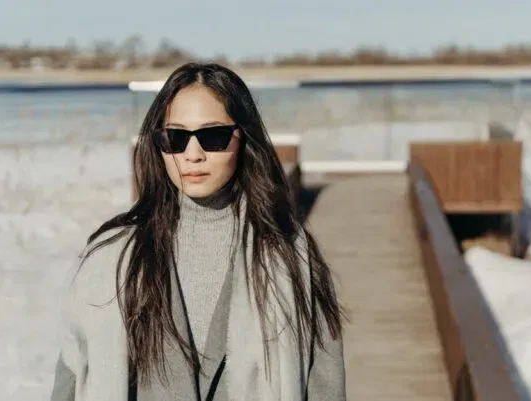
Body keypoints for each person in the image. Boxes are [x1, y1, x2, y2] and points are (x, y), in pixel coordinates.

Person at [50, 63, 346, 401]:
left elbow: (325, 384)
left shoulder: (291, 256)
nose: (193, 155)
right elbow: (71, 378)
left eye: (213, 137)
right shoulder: (110, 260)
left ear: (243, 138)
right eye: (175, 138)